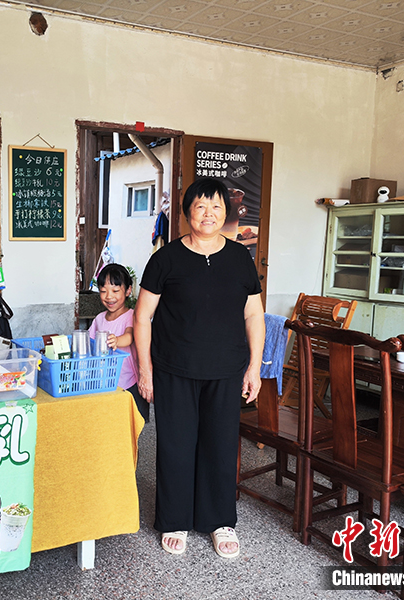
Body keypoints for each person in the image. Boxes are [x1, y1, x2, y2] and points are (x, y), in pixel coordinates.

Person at [133, 177, 265, 558]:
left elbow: (254, 315)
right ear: (187, 213)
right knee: (176, 445)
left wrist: (254, 368)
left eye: (216, 207)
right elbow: (142, 318)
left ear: (226, 213)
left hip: (226, 370)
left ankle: (219, 520)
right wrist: (146, 371)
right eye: (201, 206)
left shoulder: (240, 258)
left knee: (220, 445)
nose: (209, 214)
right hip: (174, 368)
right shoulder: (166, 259)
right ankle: (174, 518)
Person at [89, 263, 150, 422]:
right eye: (103, 291)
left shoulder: (131, 316)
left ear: (128, 290)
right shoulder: (99, 319)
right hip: (103, 382)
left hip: (128, 382)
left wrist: (117, 340)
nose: (109, 296)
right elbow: (90, 341)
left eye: (115, 291)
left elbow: (130, 336)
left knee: (132, 422)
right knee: (109, 421)